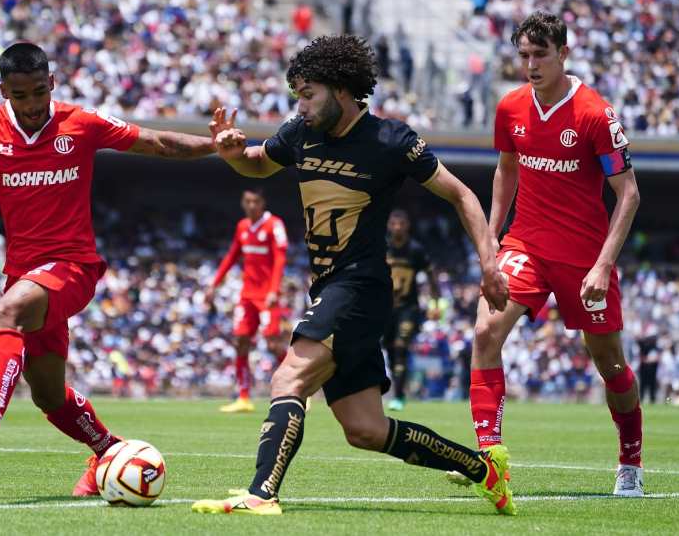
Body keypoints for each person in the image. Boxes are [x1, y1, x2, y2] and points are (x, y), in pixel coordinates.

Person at [0, 42, 224, 495]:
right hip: (25, 275)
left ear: (52, 83)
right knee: (49, 396)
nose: (33, 104)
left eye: (39, 91)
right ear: (4, 91)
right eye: (21, 95)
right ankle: (111, 454)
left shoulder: (81, 123)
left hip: (73, 267)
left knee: (4, 313)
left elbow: (158, 142)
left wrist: (215, 145)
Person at [192, 35, 515, 517]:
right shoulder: (300, 133)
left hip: (360, 287)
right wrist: (233, 152)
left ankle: (261, 493)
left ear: (341, 90)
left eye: (308, 94)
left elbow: (462, 195)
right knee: (365, 429)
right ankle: (484, 470)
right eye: (297, 94)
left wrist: (489, 261)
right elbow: (258, 165)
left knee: (290, 377)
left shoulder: (391, 140)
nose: (299, 105)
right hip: (329, 287)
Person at [447, 11, 644, 497]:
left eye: (540, 55)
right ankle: (490, 460)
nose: (531, 64)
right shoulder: (510, 107)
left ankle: (631, 462)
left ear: (563, 54)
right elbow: (505, 171)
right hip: (526, 246)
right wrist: (491, 239)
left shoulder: (596, 114)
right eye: (524, 55)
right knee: (485, 331)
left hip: (583, 259)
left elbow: (630, 193)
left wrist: (603, 264)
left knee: (610, 364)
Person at [205, 188, 289, 413]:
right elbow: (232, 256)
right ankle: (243, 397)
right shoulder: (242, 226)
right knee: (240, 340)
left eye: (256, 201)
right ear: (243, 203)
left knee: (273, 343)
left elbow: (280, 259)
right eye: (248, 201)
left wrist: (274, 290)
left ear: (263, 202)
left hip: (267, 296)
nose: (252, 205)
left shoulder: (274, 225)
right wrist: (214, 284)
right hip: (247, 295)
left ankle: (298, 390)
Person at [383, 210, 429, 411]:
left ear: (407, 226)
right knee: (391, 350)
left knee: (401, 346)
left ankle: (399, 396)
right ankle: (398, 391)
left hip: (408, 308)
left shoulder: (415, 250)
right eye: (394, 224)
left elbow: (431, 273)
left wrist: (435, 301)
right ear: (389, 226)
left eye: (401, 224)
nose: (397, 228)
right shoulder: (382, 248)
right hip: (384, 309)